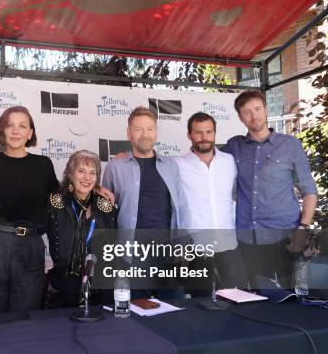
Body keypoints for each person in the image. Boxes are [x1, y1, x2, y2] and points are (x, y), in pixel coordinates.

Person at [221, 91, 317, 289]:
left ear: (265, 110)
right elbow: (208, 166)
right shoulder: (233, 146)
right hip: (249, 238)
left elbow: (309, 190)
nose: (254, 116)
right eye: (247, 112)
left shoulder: (290, 145)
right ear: (240, 117)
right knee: (258, 297)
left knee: (294, 294)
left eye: (257, 109)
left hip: (286, 236)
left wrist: (303, 228)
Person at [0, 106, 59, 313]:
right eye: (10, 125)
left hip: (30, 245)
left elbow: (59, 201)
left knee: (27, 315)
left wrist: (96, 188)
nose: (15, 131)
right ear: (1, 131)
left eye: (22, 126)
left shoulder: (43, 165)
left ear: (30, 133)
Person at [102, 106, 184, 299]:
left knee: (175, 313)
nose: (145, 134)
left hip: (168, 254)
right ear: (129, 133)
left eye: (150, 128)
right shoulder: (115, 167)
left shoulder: (171, 166)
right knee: (137, 315)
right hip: (132, 256)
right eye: (138, 129)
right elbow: (104, 211)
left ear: (156, 132)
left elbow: (181, 208)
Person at [174, 112, 247, 294]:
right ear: (189, 135)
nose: (204, 137)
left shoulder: (229, 161)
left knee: (238, 299)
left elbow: (238, 195)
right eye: (198, 132)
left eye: (208, 132)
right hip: (196, 248)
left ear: (214, 133)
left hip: (229, 245)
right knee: (201, 304)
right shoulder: (176, 164)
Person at [46, 150, 117, 308]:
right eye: (81, 171)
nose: (87, 178)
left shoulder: (105, 205)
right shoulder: (55, 201)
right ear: (70, 174)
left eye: (93, 173)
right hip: (66, 281)